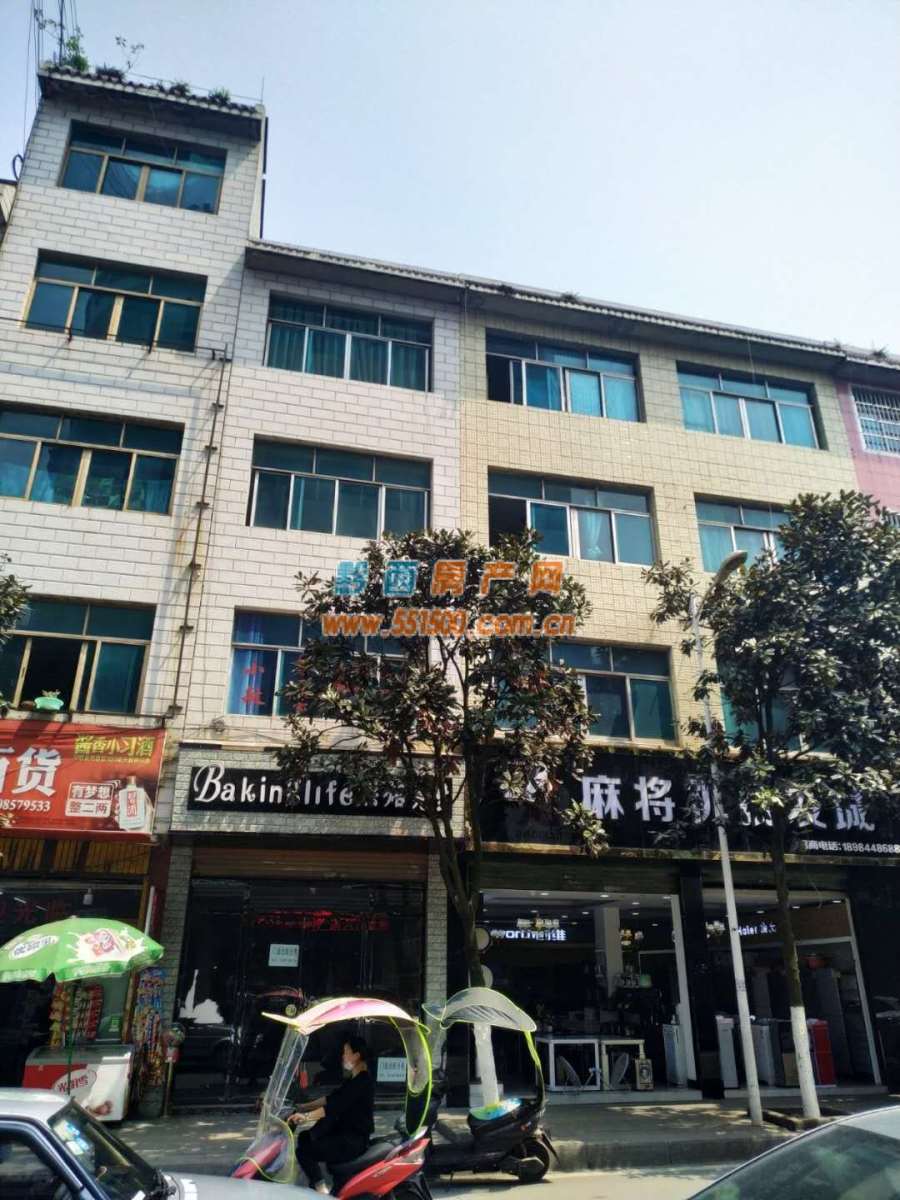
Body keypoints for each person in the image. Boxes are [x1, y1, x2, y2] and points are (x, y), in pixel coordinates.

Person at [288, 1034, 375, 1194]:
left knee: (304, 1152)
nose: (343, 1056)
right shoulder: (354, 1079)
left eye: (346, 1052)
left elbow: (333, 1107)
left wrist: (305, 1117)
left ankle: (321, 1190)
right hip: (344, 1135)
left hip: (352, 1141)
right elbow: (330, 1099)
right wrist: (303, 1107)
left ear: (356, 1056)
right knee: (305, 1137)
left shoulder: (362, 1082)